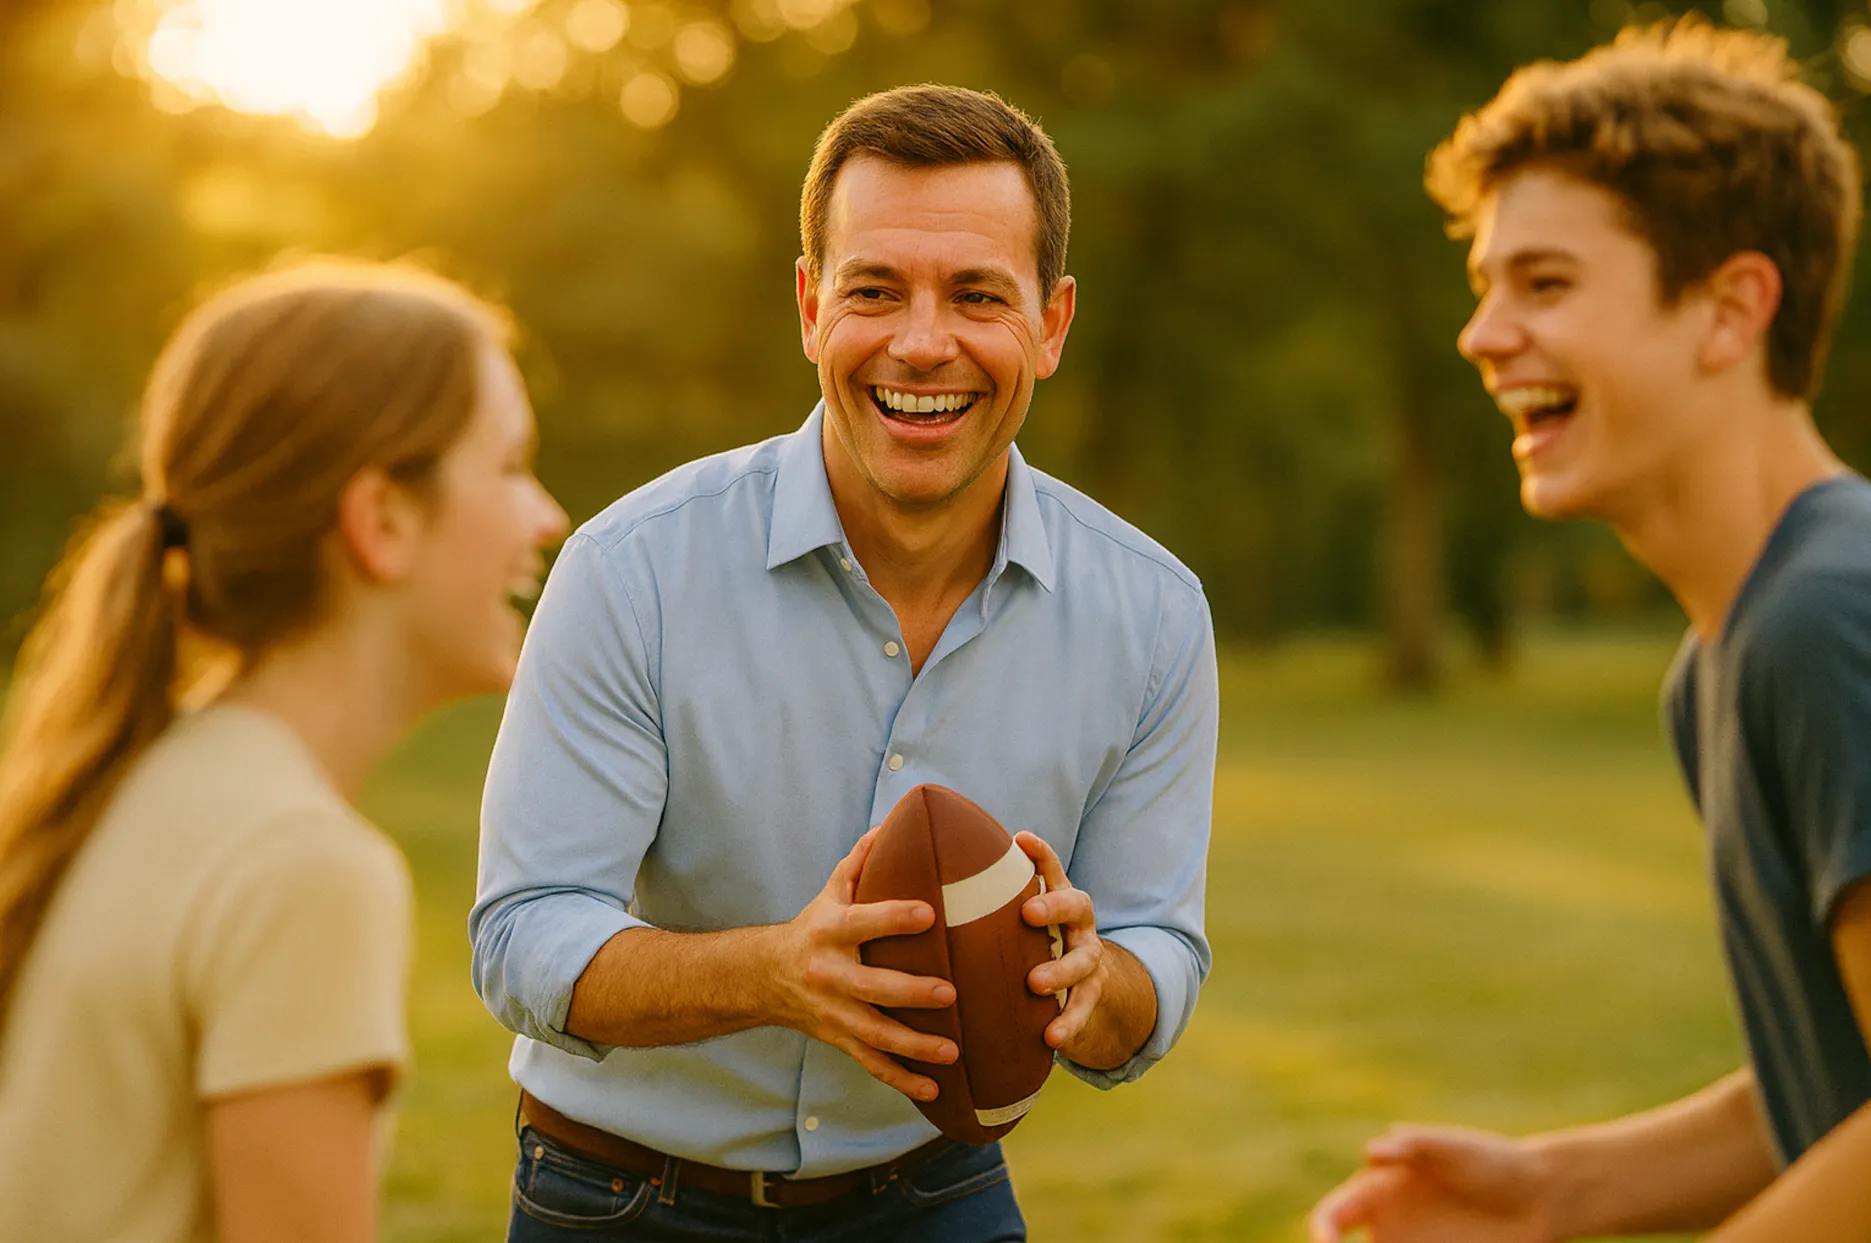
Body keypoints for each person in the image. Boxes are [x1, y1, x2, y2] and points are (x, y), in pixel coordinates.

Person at [472, 83, 1218, 1241]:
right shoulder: (630, 570)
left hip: (933, 1191)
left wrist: (1093, 982)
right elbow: (522, 935)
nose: (922, 343)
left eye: (978, 295)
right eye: (875, 290)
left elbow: (1155, 944)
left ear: (1052, 324)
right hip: (618, 1196)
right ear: (812, 305)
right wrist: (774, 971)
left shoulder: (1152, 613)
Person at [1309, 17, 1871, 1243]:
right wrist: (1553, 1192)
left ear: (1729, 309)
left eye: (1543, 283)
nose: (1481, 335)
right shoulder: (1726, 652)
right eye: (1483, 287)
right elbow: (1835, 1089)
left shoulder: (1825, 615)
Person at [0, 260, 569, 1243]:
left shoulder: (146, 777)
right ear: (380, 519)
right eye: (511, 465)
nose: (548, 517)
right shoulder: (301, 870)